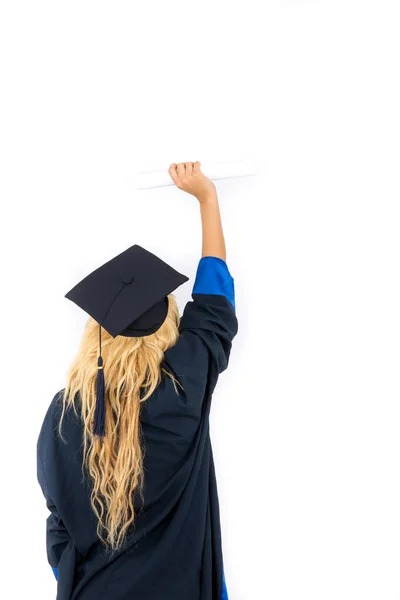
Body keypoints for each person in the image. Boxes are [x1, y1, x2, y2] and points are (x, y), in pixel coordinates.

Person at [36, 161, 239, 600]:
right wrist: (207, 198)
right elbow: (214, 306)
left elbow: (58, 522)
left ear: (97, 333)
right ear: (169, 329)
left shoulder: (65, 411)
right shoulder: (184, 388)